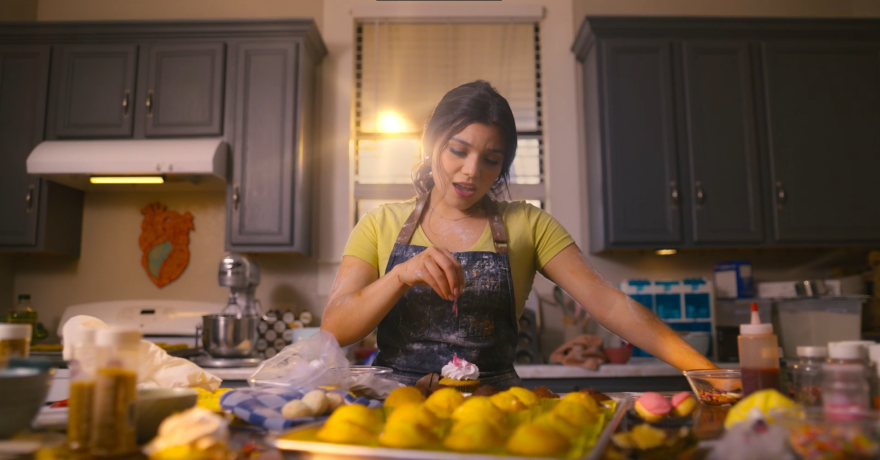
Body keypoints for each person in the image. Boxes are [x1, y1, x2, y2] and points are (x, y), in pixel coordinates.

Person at [322, 80, 716, 388]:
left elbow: (611, 306)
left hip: (494, 413)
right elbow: (334, 329)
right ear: (431, 144)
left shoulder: (529, 225)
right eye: (458, 151)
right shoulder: (379, 224)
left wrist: (708, 372)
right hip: (396, 413)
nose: (472, 171)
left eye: (490, 159)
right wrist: (400, 276)